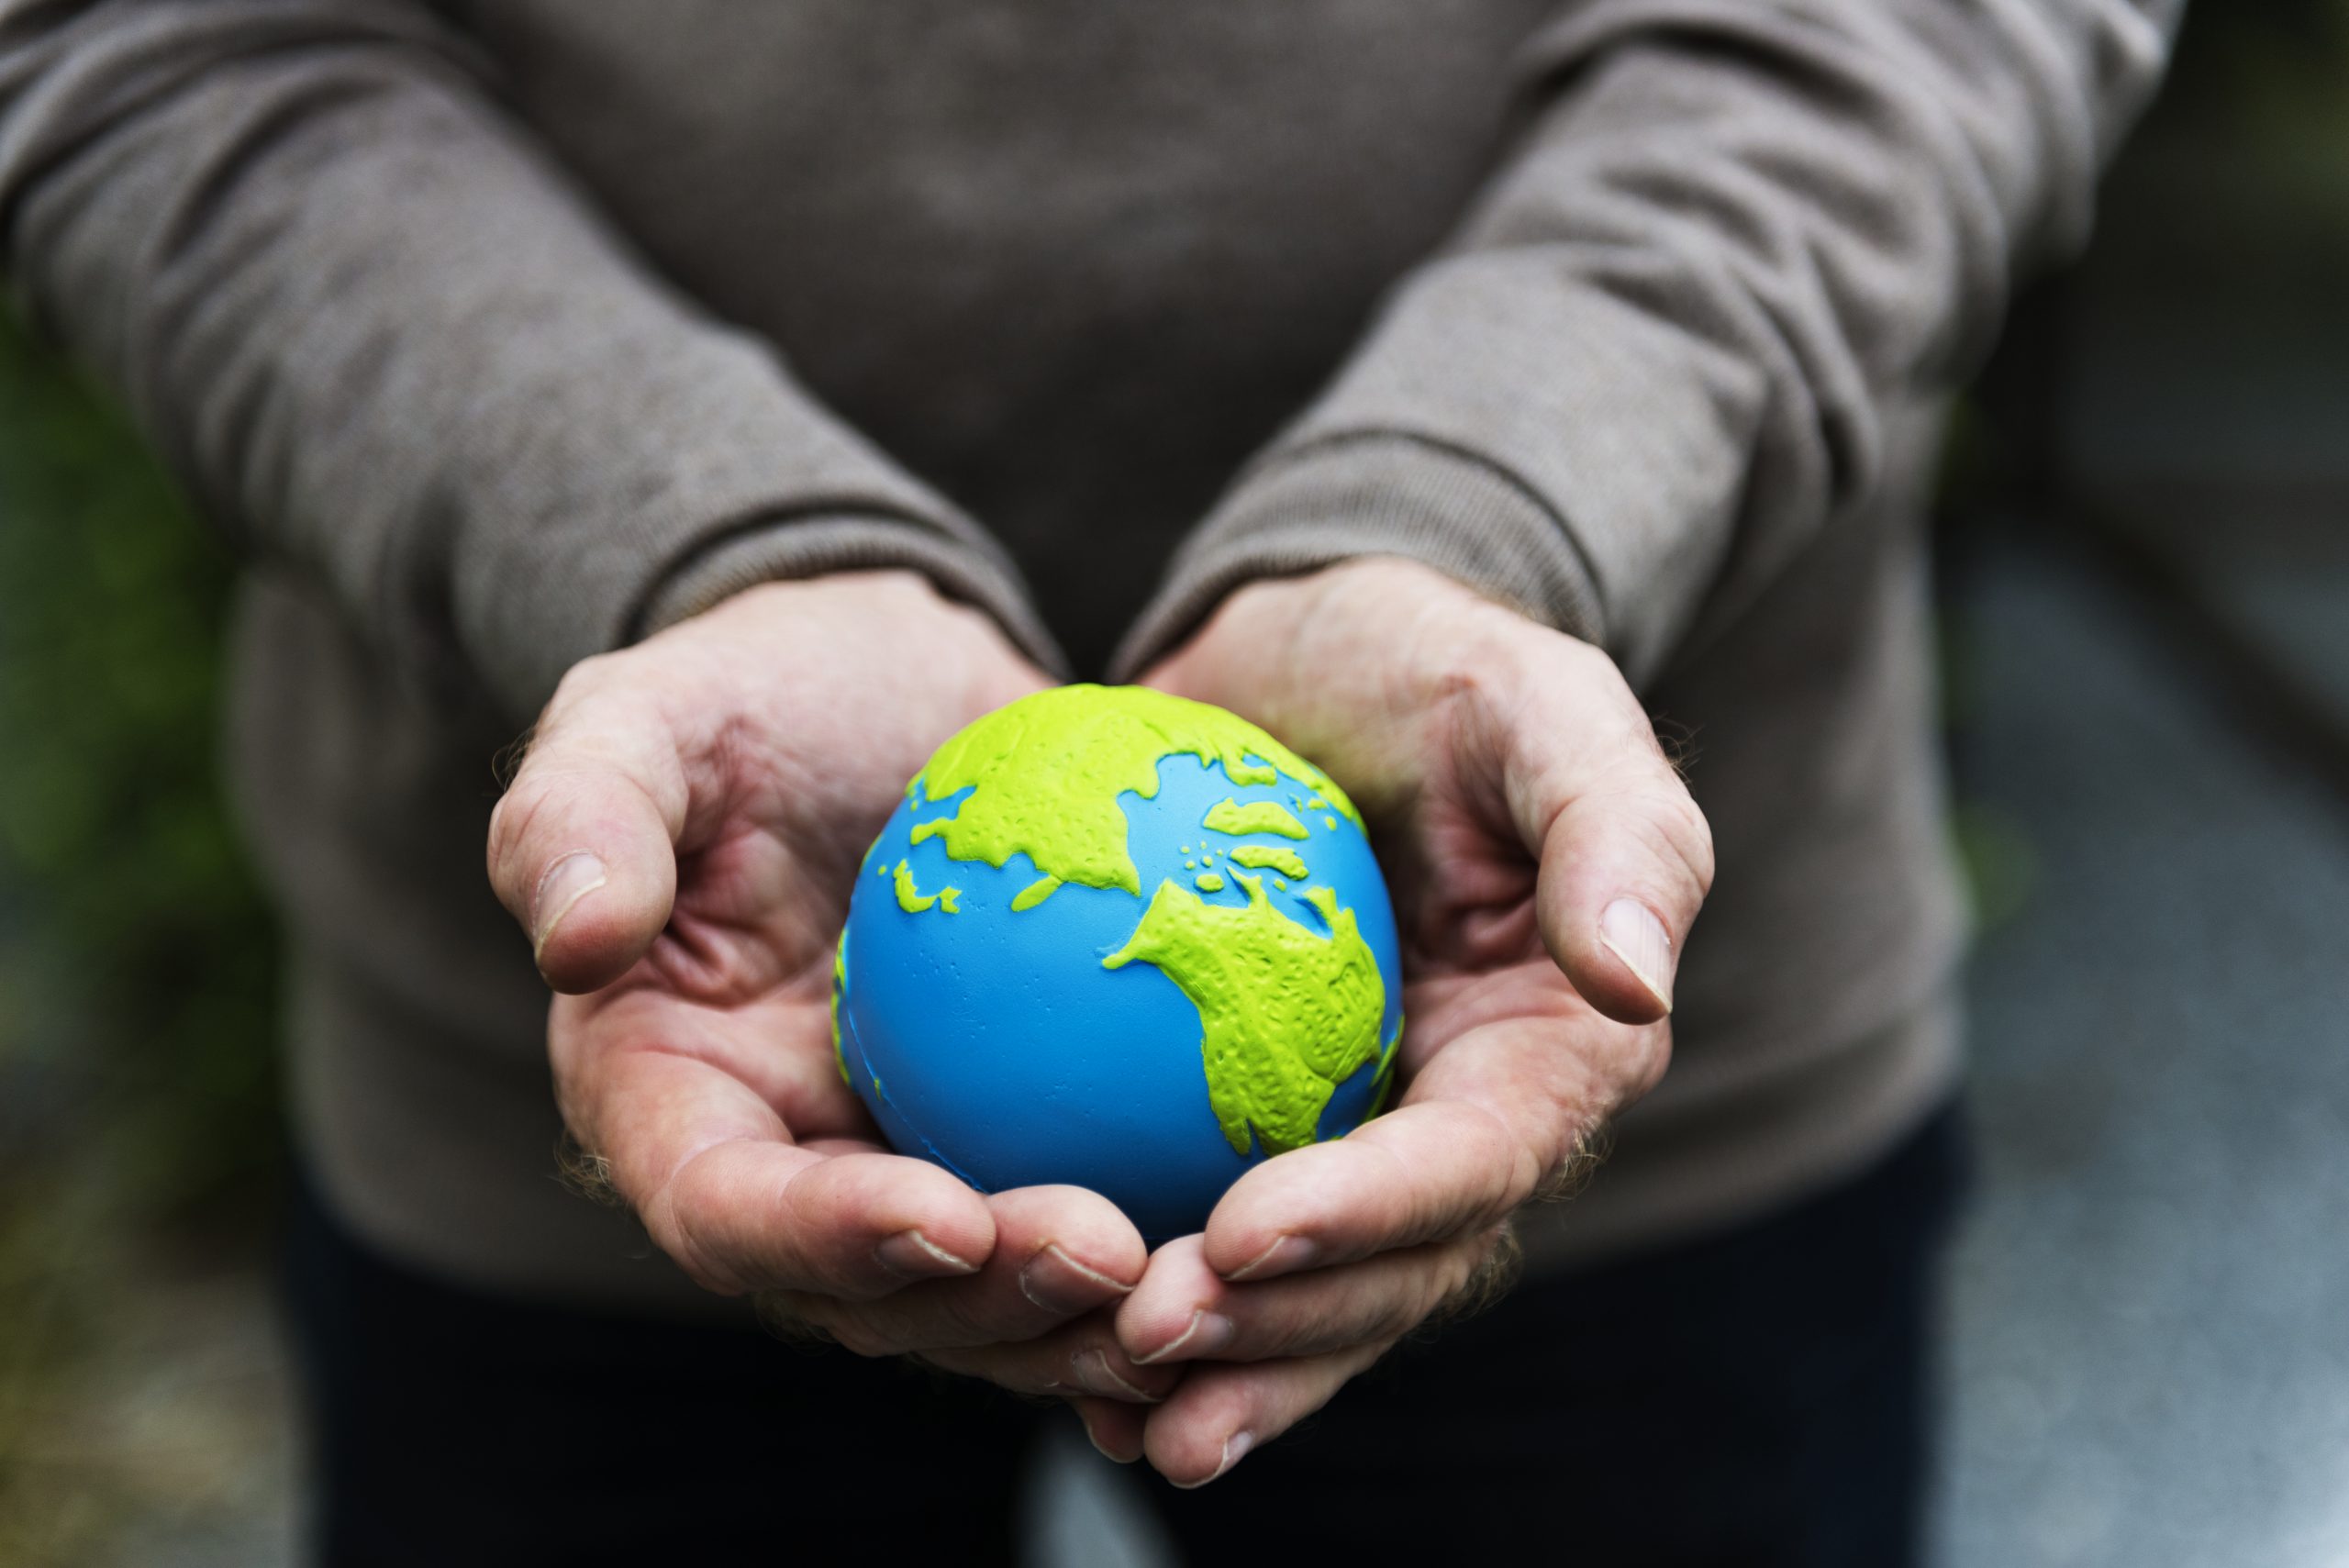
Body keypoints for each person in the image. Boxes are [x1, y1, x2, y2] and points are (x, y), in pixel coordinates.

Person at [0, 2, 2176, 1562]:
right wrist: (671, 545)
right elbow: (163, 41)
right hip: (655, 1014)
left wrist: (1482, 500)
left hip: (1582, 1015)